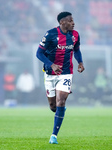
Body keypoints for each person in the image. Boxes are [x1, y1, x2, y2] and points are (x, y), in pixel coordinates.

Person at [36, 11, 85, 144]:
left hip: (66, 73)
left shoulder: (75, 35)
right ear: (62, 22)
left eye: (73, 20)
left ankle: (54, 136)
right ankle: (60, 110)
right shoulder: (50, 34)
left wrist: (80, 62)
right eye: (70, 21)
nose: (73, 23)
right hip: (50, 74)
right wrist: (51, 65)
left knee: (61, 101)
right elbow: (39, 53)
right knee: (53, 107)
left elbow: (76, 50)